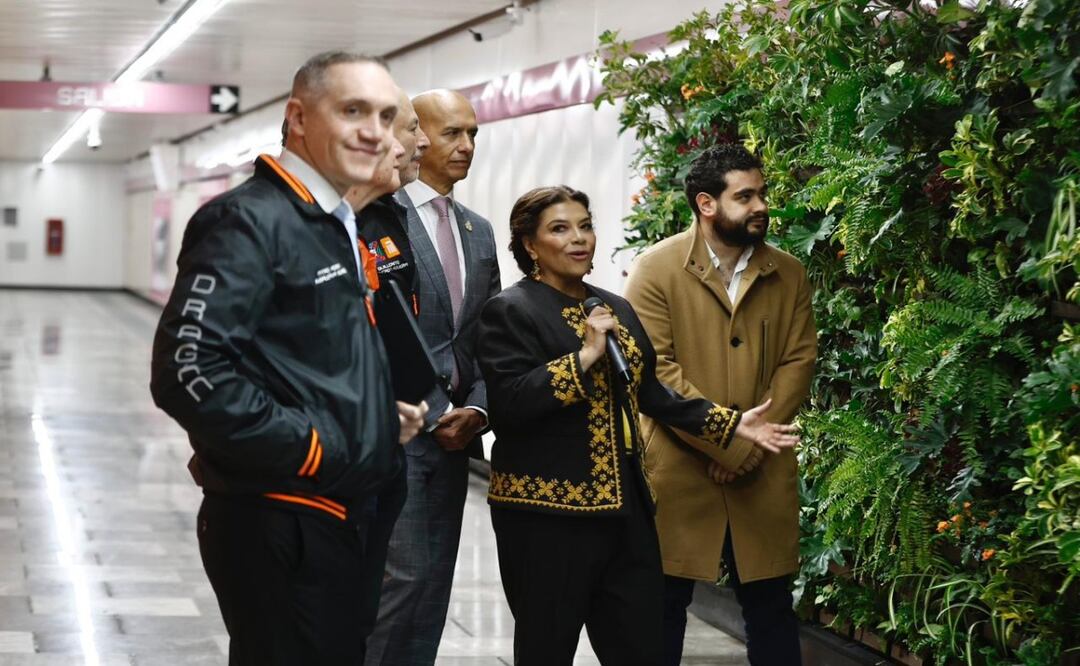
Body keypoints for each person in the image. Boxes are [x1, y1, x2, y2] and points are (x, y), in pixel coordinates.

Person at [149, 51, 427, 666]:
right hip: (280, 517)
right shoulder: (247, 220)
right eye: (352, 110)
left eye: (384, 115)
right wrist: (316, 445)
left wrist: (374, 417)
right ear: (298, 116)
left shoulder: (330, 222)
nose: (373, 131)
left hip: (331, 514)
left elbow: (305, 357)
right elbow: (188, 372)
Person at [476, 185, 800, 666]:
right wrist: (584, 358)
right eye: (560, 229)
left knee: (642, 648)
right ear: (529, 243)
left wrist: (729, 426)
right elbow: (511, 404)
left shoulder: (612, 308)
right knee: (547, 647)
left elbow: (654, 394)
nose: (579, 239)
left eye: (585, 226)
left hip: (627, 514)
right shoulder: (510, 310)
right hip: (546, 517)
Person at [624, 144, 817, 665]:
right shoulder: (656, 270)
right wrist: (732, 443)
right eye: (745, 195)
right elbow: (656, 371)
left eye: (762, 194)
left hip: (763, 469)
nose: (760, 206)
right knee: (662, 611)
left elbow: (798, 361)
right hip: (680, 471)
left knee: (772, 608)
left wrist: (749, 447)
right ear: (706, 203)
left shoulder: (789, 272)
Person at [365, 89, 500, 666]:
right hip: (397, 436)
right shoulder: (377, 219)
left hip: (454, 442)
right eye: (452, 133)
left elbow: (488, 336)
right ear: (416, 135)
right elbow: (374, 333)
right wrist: (431, 408)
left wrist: (480, 407)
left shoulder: (478, 230)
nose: (466, 146)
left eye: (473, 133)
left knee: (432, 590)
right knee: (401, 587)